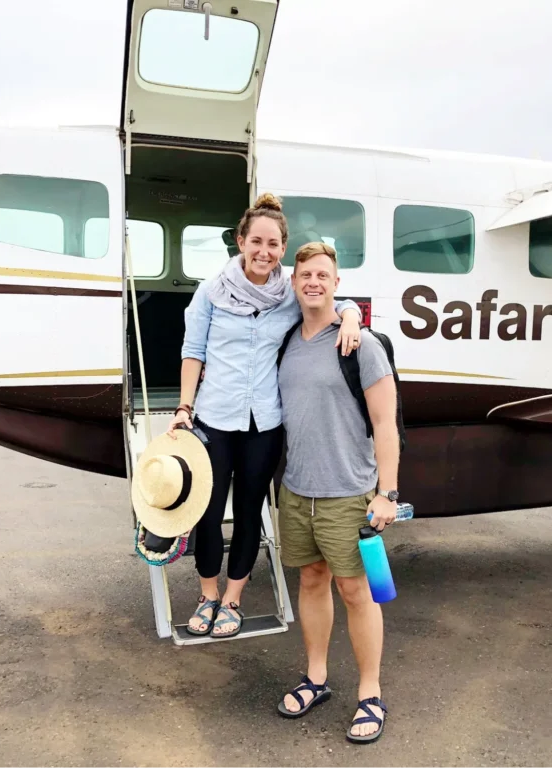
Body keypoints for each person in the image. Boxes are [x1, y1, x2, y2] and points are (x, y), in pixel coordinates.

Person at [166, 195, 364, 639]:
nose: (264, 251)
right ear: (240, 241)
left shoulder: (289, 295)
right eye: (255, 241)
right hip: (215, 418)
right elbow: (192, 352)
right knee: (209, 511)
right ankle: (207, 594)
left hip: (265, 424)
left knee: (251, 509)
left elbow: (333, 295)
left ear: (282, 248)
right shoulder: (210, 291)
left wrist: (351, 316)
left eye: (273, 244)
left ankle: (233, 598)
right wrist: (183, 407)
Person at [274, 241, 400, 744]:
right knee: (311, 580)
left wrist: (386, 492)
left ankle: (370, 694)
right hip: (296, 488)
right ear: (294, 281)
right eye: (305, 274)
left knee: (357, 591)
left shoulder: (361, 345)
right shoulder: (286, 341)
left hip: (348, 492)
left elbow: (385, 423)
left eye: (323, 275)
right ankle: (317, 678)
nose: (313, 282)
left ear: (336, 283)